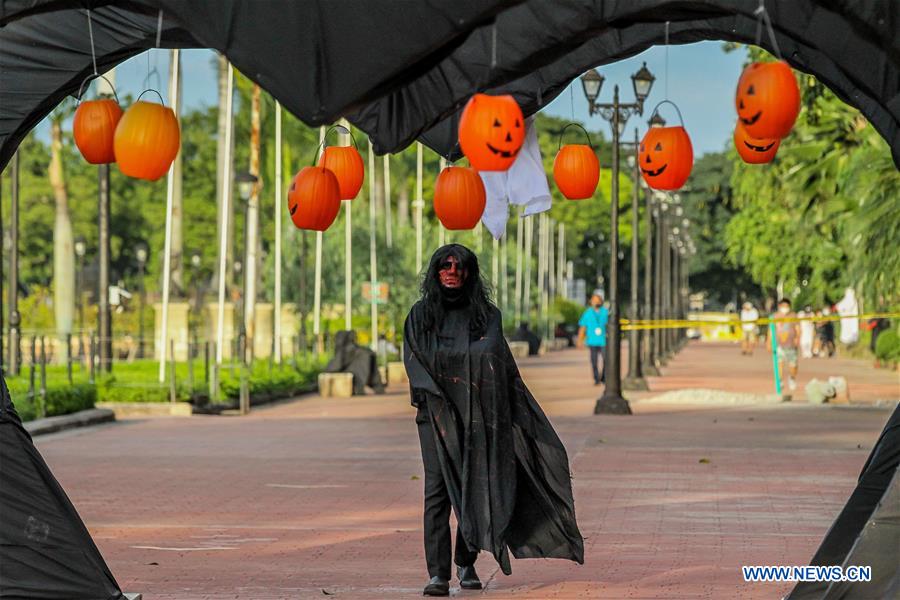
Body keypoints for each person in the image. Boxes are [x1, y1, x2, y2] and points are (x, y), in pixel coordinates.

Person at [404, 244, 584, 596]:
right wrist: (444, 395)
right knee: (437, 493)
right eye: (444, 266)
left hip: (479, 419)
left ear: (470, 273)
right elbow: (416, 363)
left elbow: (494, 360)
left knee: (476, 488)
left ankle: (465, 561)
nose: (452, 272)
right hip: (437, 419)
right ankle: (438, 574)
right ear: (435, 272)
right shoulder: (421, 315)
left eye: (459, 266)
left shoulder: (486, 316)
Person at [323, 330, 385, 395]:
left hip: (356, 382)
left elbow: (335, 366)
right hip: (365, 380)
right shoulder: (366, 351)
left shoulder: (346, 350)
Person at [577, 291, 609, 385]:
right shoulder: (587, 313)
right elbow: (583, 327)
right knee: (594, 361)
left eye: (598, 300)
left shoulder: (605, 312)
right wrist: (580, 340)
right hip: (592, 341)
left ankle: (603, 377)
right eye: (594, 300)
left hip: (604, 341)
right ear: (591, 301)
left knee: (606, 360)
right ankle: (596, 378)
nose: (596, 302)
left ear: (601, 301)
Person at [774, 298, 801, 394]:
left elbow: (798, 329)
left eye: (786, 306)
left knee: (793, 365)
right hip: (779, 345)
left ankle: (792, 378)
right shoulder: (775, 316)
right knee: (779, 363)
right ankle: (780, 381)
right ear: (779, 306)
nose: (785, 308)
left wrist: (797, 338)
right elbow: (771, 330)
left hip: (791, 345)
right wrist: (769, 342)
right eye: (783, 306)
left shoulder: (793, 316)